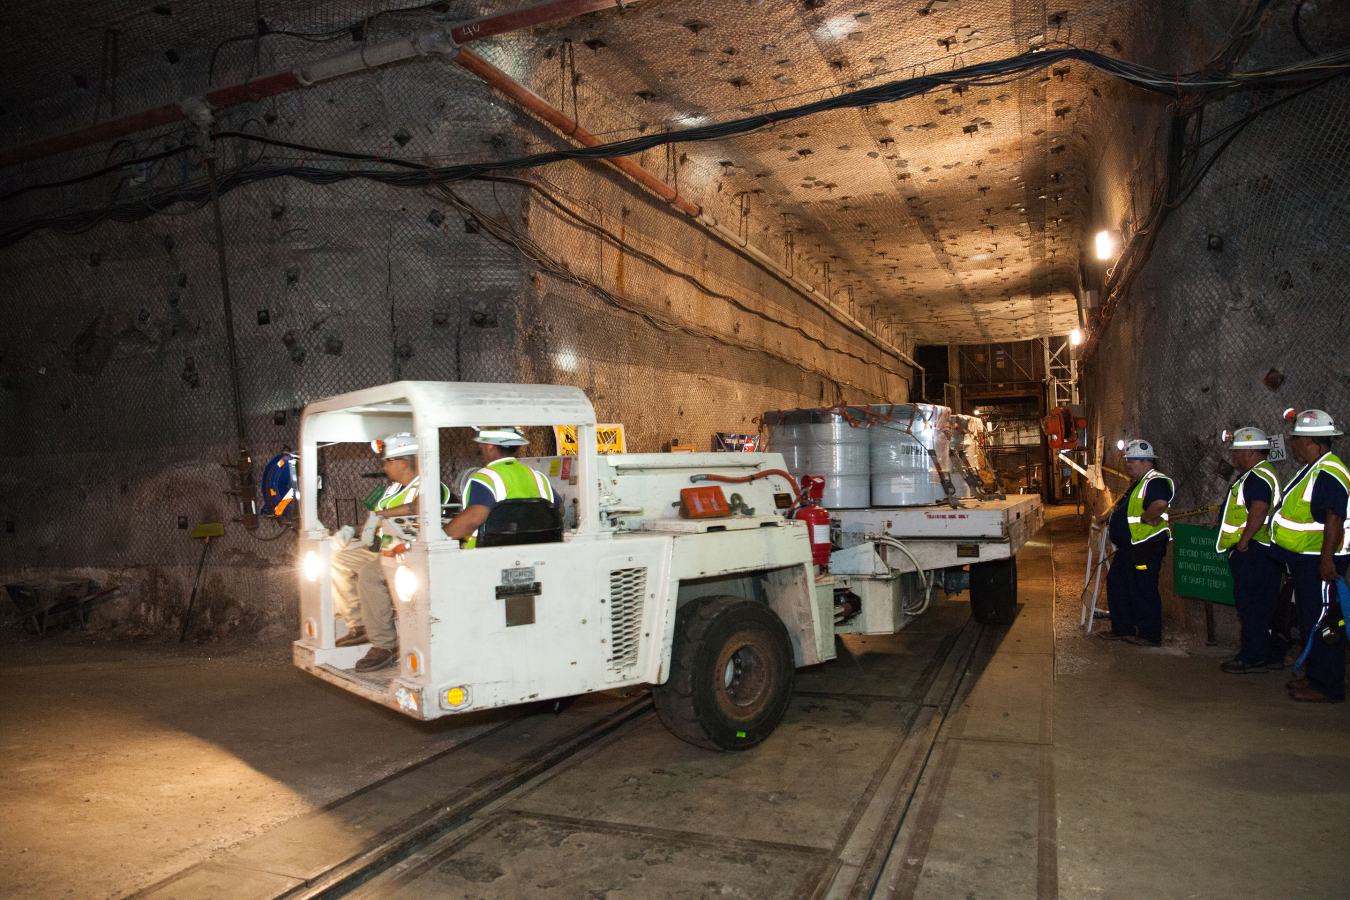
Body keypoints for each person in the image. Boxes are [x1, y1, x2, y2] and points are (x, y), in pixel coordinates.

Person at [1269, 409, 1350, 703]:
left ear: (1314, 442)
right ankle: (1315, 676)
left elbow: (1334, 517)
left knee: (1323, 621)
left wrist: (1327, 560)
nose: (1293, 444)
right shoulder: (1315, 468)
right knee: (1309, 618)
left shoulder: (1329, 472)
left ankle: (1327, 685)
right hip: (1307, 560)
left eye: (1298, 438)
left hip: (1321, 561)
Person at [354, 432, 450, 673]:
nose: (385, 467)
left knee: (381, 577)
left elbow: (418, 507)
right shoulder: (393, 489)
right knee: (356, 569)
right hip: (388, 550)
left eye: (388, 462)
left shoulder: (431, 486)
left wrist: (381, 515)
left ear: (404, 463)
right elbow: (378, 516)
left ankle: (397, 645)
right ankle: (370, 635)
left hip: (415, 555)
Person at [1215, 427, 1285, 673]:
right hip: (1261, 551)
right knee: (1263, 605)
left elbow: (1259, 509)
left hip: (1256, 550)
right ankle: (1269, 655)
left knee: (1252, 605)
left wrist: (1244, 539)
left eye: (1237, 451)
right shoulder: (1257, 475)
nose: (1234, 456)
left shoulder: (1258, 477)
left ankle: (1252, 657)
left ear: (1252, 451)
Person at [1096, 439, 1173, 646]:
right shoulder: (1139, 483)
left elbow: (1159, 504)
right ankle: (1122, 628)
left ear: (1145, 461)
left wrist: (1147, 518)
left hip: (1145, 546)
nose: (1128, 465)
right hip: (1129, 548)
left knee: (1143, 588)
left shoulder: (1155, 481)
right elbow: (1128, 512)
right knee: (1118, 584)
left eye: (1131, 461)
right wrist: (1110, 519)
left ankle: (1149, 634)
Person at [444, 427, 560, 546]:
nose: (481, 449)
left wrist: (441, 536)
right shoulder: (537, 477)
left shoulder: (485, 478)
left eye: (482, 445)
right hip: (530, 553)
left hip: (484, 557)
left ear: (490, 447)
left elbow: (473, 519)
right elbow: (559, 510)